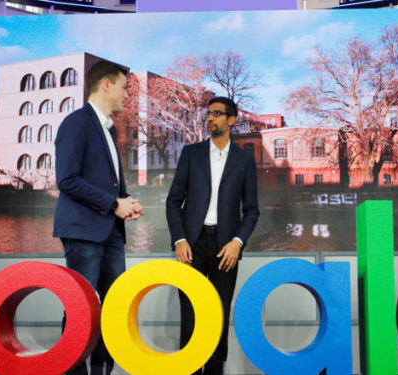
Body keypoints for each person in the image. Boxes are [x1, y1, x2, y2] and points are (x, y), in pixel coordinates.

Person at [54, 60, 144, 375]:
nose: (126, 95)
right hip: (84, 233)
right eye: (123, 88)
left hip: (111, 234)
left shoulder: (107, 128)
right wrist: (112, 203)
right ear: (106, 85)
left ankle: (102, 371)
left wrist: (127, 202)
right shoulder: (76, 123)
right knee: (80, 309)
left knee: (114, 309)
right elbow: (66, 180)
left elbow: (105, 183)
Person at [166, 96, 260, 375]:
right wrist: (179, 239)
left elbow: (252, 210)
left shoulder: (244, 160)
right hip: (191, 245)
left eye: (217, 114)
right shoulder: (191, 153)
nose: (210, 118)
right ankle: (189, 369)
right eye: (208, 114)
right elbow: (173, 201)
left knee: (218, 313)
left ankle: (216, 370)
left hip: (226, 248)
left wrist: (237, 242)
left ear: (231, 120)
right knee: (191, 314)